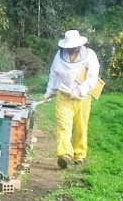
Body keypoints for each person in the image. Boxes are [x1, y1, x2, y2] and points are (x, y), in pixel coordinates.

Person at [41, 29, 100, 169]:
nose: (71, 49)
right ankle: (65, 154)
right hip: (63, 96)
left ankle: (79, 154)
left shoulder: (90, 55)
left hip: (82, 97)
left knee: (80, 126)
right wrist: (49, 91)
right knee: (63, 125)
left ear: (79, 45)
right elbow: (54, 74)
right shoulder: (59, 55)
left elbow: (92, 78)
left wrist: (79, 91)